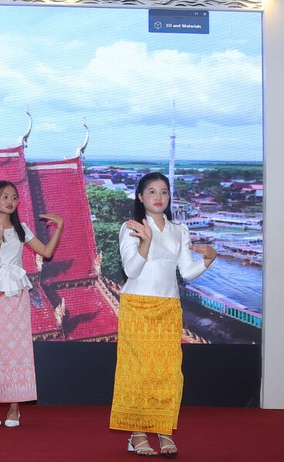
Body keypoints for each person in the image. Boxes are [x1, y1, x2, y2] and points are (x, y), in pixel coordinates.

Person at [110, 172, 216, 458]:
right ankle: (136, 433)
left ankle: (163, 429)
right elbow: (131, 271)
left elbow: (187, 273)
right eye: (152, 192)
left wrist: (207, 260)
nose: (159, 197)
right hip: (137, 306)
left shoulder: (179, 230)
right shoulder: (131, 227)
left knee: (168, 373)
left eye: (164, 192)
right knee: (137, 371)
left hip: (169, 307)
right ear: (141, 196)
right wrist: (145, 242)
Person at [0, 180, 63, 428]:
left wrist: (59, 228)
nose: (10, 201)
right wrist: (0, 238)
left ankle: (15, 407)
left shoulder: (22, 228)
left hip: (17, 293)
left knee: (19, 348)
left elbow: (46, 252)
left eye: (14, 197)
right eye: (4, 197)